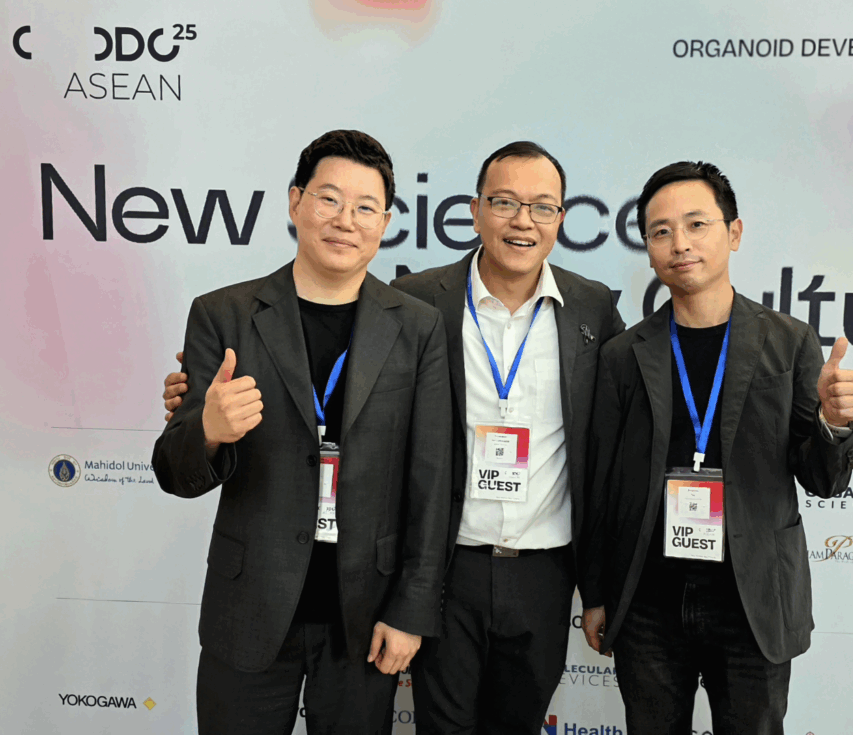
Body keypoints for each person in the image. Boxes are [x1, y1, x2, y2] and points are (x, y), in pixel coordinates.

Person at [152, 129, 452, 735]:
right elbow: (174, 472)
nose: (345, 221)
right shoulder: (224, 314)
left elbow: (431, 478)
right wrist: (208, 430)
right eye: (329, 199)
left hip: (364, 615)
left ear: (385, 222)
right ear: (295, 202)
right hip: (250, 606)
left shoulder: (417, 328)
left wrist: (413, 609)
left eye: (365, 207)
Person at [578, 161, 853, 735]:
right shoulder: (623, 354)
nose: (679, 244)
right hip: (649, 601)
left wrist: (836, 424)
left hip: (752, 597)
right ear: (648, 250)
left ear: (733, 233)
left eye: (696, 225)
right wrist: (596, 593)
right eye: (661, 232)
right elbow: (601, 485)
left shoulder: (788, 341)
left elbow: (823, 478)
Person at [389, 141, 624, 734]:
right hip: (449, 567)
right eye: (504, 203)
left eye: (542, 207)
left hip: (545, 574)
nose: (524, 221)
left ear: (561, 220)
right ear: (475, 211)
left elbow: (623, 431)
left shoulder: (591, 307)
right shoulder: (419, 299)